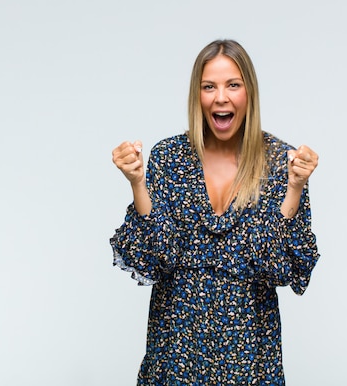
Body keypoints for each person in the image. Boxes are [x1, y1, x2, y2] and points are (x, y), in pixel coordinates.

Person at [110, 39, 320, 385]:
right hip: (176, 348)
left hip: (249, 352)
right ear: (198, 96)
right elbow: (156, 258)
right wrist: (137, 183)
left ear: (249, 92)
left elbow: (280, 268)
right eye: (209, 86)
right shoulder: (170, 157)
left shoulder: (281, 162)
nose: (221, 97)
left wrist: (294, 187)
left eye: (232, 85)